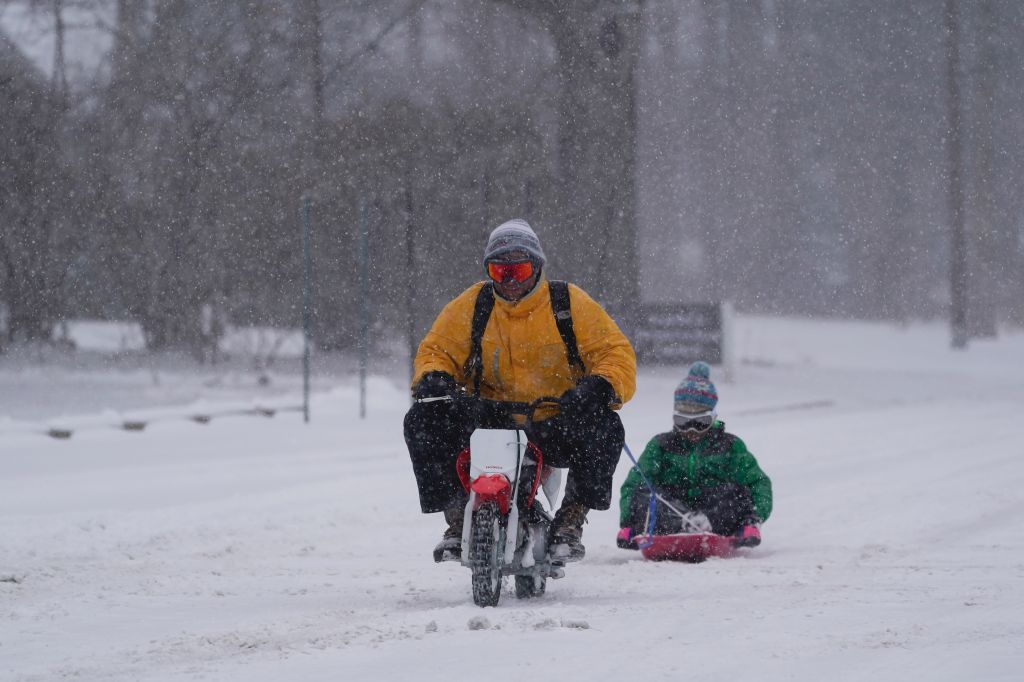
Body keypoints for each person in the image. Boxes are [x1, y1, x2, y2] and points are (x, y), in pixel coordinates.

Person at [405, 218, 636, 563]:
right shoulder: (474, 306)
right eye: (500, 273)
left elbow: (614, 352)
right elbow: (437, 350)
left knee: (605, 427)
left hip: (554, 420)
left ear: (538, 267)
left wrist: (597, 386)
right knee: (422, 420)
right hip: (488, 420)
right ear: (489, 273)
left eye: (520, 269)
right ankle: (456, 520)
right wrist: (434, 377)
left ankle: (571, 520)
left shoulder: (567, 303)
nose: (511, 281)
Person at [617, 361, 771, 549]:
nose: (691, 430)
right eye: (682, 422)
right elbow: (634, 484)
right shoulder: (661, 445)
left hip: (717, 516)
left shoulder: (730, 445)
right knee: (645, 491)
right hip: (671, 515)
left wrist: (755, 517)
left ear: (713, 417)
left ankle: (707, 523)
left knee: (737, 492)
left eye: (700, 422)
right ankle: (684, 523)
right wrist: (627, 523)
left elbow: (758, 482)